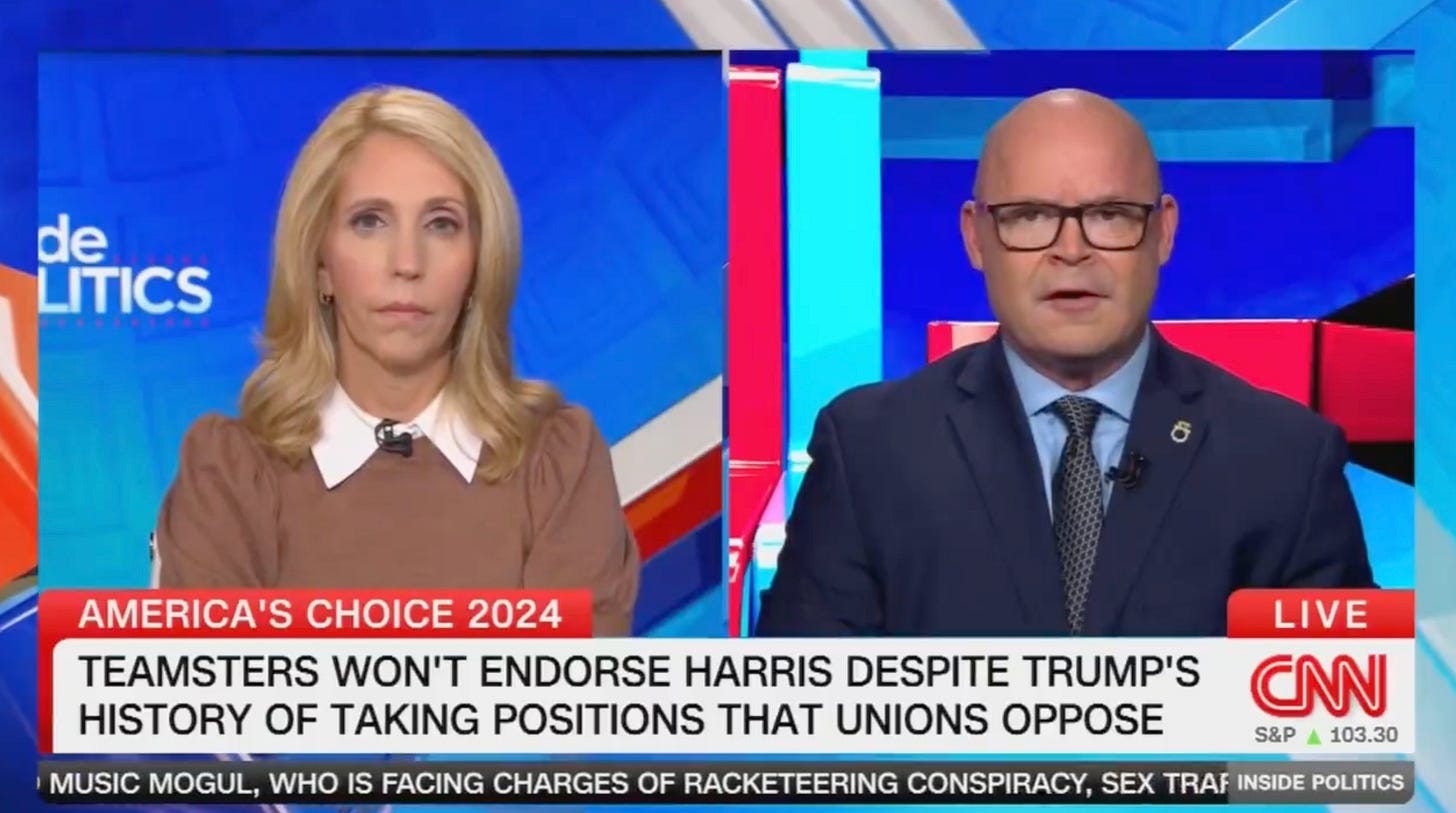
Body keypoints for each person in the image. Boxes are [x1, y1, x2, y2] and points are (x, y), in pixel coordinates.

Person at [756, 89, 1375, 637]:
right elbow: (802, 715)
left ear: (1163, 232)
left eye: (1110, 215)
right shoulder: (869, 451)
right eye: (1029, 216)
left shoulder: (1287, 461)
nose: (1072, 250)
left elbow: (1340, 717)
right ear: (975, 237)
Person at [153, 86, 640, 635]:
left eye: (441, 224)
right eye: (369, 221)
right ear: (319, 264)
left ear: (480, 264)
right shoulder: (230, 476)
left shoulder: (557, 464)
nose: (407, 262)